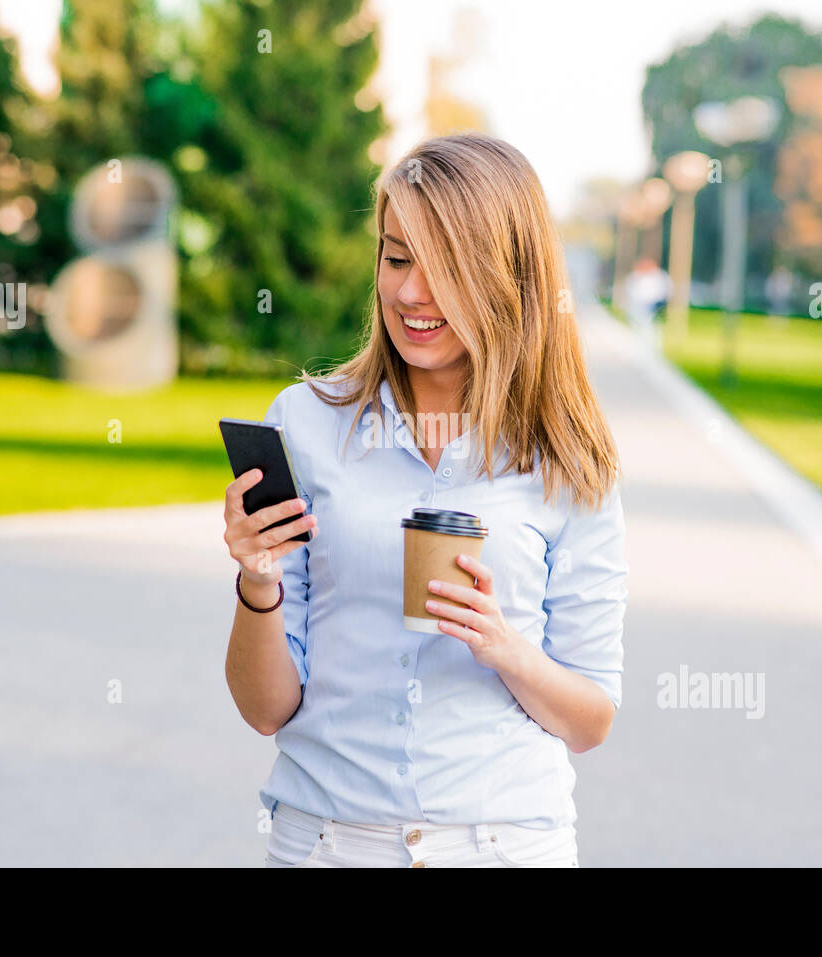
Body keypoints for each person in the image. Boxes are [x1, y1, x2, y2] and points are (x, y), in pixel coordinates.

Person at [222, 132, 629, 868]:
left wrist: (505, 647)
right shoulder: (307, 422)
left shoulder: (566, 456)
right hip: (325, 842)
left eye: (443, 267)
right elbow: (265, 709)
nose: (411, 292)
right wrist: (257, 583)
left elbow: (591, 716)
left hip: (504, 847)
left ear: (508, 275)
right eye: (397, 256)